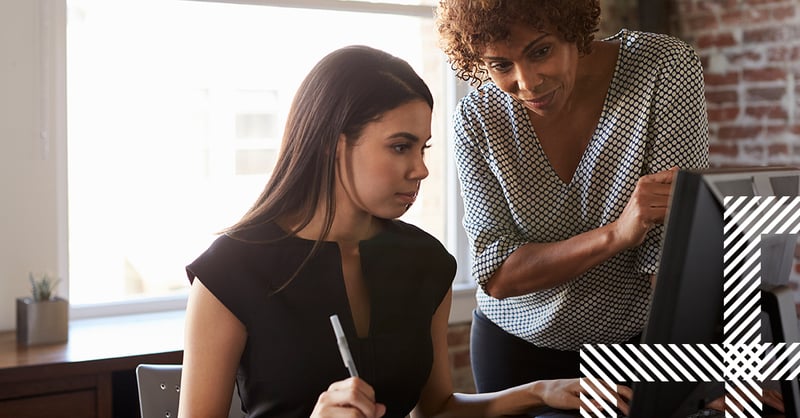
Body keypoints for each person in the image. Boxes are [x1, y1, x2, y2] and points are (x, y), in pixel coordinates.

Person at [178, 45, 629, 418]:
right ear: (335, 143)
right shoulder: (230, 272)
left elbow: (436, 409)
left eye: (423, 148)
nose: (421, 169)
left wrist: (539, 391)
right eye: (400, 147)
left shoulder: (426, 262)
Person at [434, 0, 710, 396]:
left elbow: (670, 251)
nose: (527, 83)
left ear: (573, 27)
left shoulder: (661, 67)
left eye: (540, 51)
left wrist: (708, 376)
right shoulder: (477, 118)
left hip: (634, 348)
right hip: (514, 352)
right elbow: (496, 273)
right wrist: (616, 234)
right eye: (500, 65)